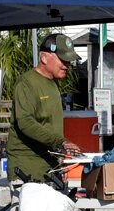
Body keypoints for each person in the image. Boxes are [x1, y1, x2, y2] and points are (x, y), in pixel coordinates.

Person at [8, 33, 84, 182]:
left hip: (50, 168)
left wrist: (60, 154)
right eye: (63, 60)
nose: (67, 65)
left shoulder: (53, 83)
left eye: (68, 61)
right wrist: (60, 142)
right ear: (44, 57)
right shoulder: (26, 83)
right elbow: (25, 122)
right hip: (27, 169)